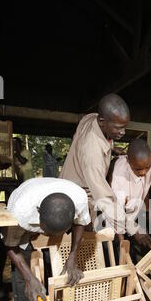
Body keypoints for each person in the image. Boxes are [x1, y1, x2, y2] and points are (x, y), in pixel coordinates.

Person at [1, 177, 91, 301]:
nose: (47, 235)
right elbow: (10, 246)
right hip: (23, 228)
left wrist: (72, 257)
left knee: (53, 264)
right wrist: (30, 278)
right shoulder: (21, 209)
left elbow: (81, 224)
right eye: (46, 230)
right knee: (23, 278)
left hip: (51, 218)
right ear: (38, 212)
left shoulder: (79, 199)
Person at [60, 93, 130, 233]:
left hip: (74, 184)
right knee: (79, 237)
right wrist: (132, 226)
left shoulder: (90, 118)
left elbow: (100, 138)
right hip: (75, 197)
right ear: (102, 121)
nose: (123, 132)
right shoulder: (92, 152)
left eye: (124, 127)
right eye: (118, 127)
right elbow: (104, 198)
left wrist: (111, 148)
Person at [109, 139, 151, 254]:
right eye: (138, 169)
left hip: (134, 213)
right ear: (128, 160)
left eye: (147, 167)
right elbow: (116, 211)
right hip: (113, 217)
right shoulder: (119, 175)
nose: (143, 172)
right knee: (119, 253)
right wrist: (135, 230)